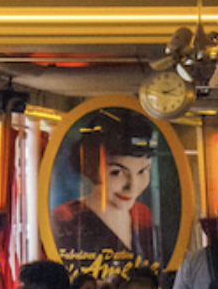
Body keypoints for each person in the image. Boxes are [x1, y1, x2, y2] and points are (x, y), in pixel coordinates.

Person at [51, 108, 160, 271]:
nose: (132, 187)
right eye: (116, 172)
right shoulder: (66, 217)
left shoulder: (142, 214)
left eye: (142, 171)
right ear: (91, 167)